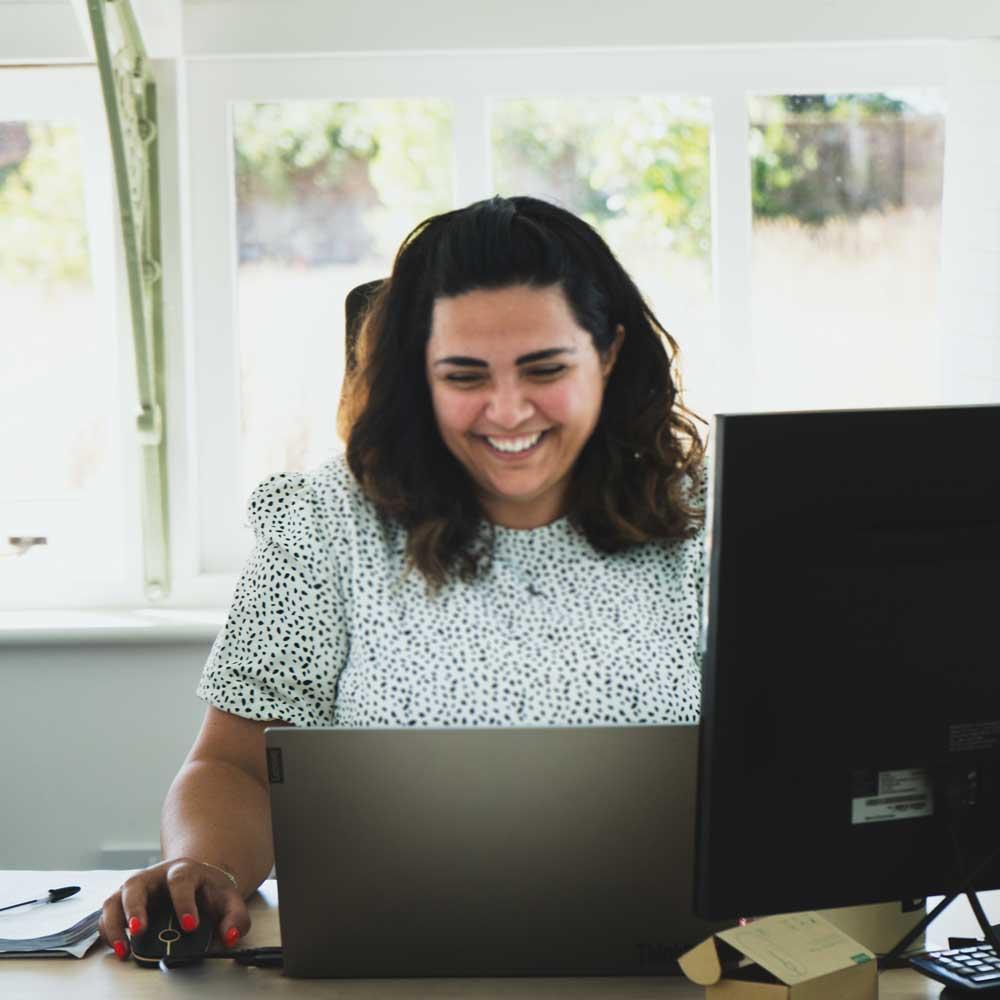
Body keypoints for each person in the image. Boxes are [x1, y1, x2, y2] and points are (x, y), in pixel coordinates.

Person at [98, 194, 707, 958]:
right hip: (390, 971)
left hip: (676, 971)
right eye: (464, 375)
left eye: (545, 368)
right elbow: (234, 765)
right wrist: (206, 866)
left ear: (609, 355)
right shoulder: (325, 521)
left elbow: (787, 749)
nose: (508, 411)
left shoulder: (704, 521)